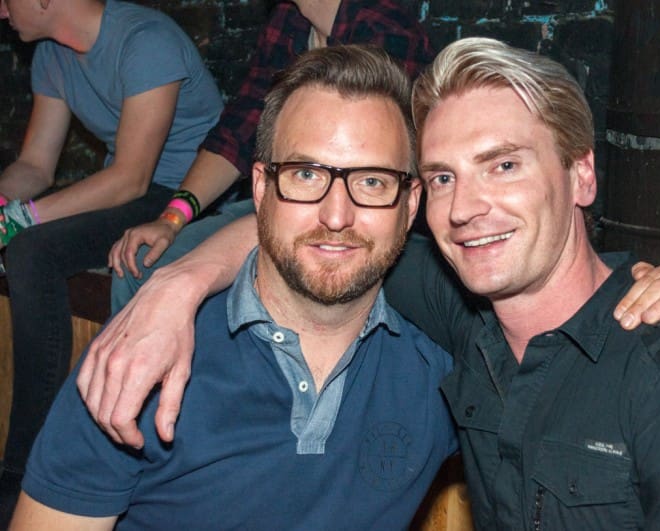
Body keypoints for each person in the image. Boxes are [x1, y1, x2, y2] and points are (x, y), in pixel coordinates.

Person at [79, 37, 660, 527]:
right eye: (444, 177)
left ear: (581, 174)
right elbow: (318, 228)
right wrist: (176, 284)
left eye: (504, 165)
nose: (466, 208)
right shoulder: (462, 313)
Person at [10, 45, 457, 529]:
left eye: (372, 182)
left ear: (411, 203)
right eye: (306, 175)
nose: (336, 216)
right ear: (261, 188)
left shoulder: (443, 366)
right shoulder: (139, 360)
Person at [0, 0, 222, 516]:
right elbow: (35, 167)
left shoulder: (144, 41)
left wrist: (16, 222)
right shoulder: (51, 55)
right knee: (26, 240)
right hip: (131, 193)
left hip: (186, 196)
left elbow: (131, 179)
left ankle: (25, 465)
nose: (2, 13)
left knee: (30, 250)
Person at [107, 0, 434, 313]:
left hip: (364, 214)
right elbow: (239, 131)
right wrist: (172, 218)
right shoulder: (287, 21)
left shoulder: (388, 29)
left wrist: (193, 275)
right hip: (287, 196)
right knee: (142, 262)